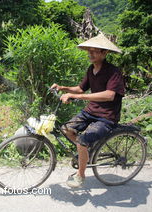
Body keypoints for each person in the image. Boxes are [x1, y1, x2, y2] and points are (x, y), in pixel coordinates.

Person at [51, 33, 125, 188]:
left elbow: (110, 95)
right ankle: (86, 151)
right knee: (66, 129)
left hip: (106, 117)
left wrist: (78, 97)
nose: (90, 54)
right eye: (89, 51)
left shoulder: (113, 72)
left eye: (95, 51)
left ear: (105, 53)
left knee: (82, 140)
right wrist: (62, 87)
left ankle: (81, 175)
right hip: (90, 111)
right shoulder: (91, 69)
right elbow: (79, 88)